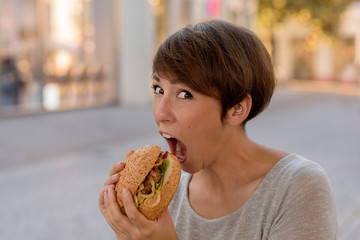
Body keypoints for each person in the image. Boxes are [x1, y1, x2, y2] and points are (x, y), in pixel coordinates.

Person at [99, 20, 337, 240]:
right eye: (158, 89)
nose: (160, 113)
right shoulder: (162, 201)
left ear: (237, 109)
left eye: (185, 94)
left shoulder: (297, 188)